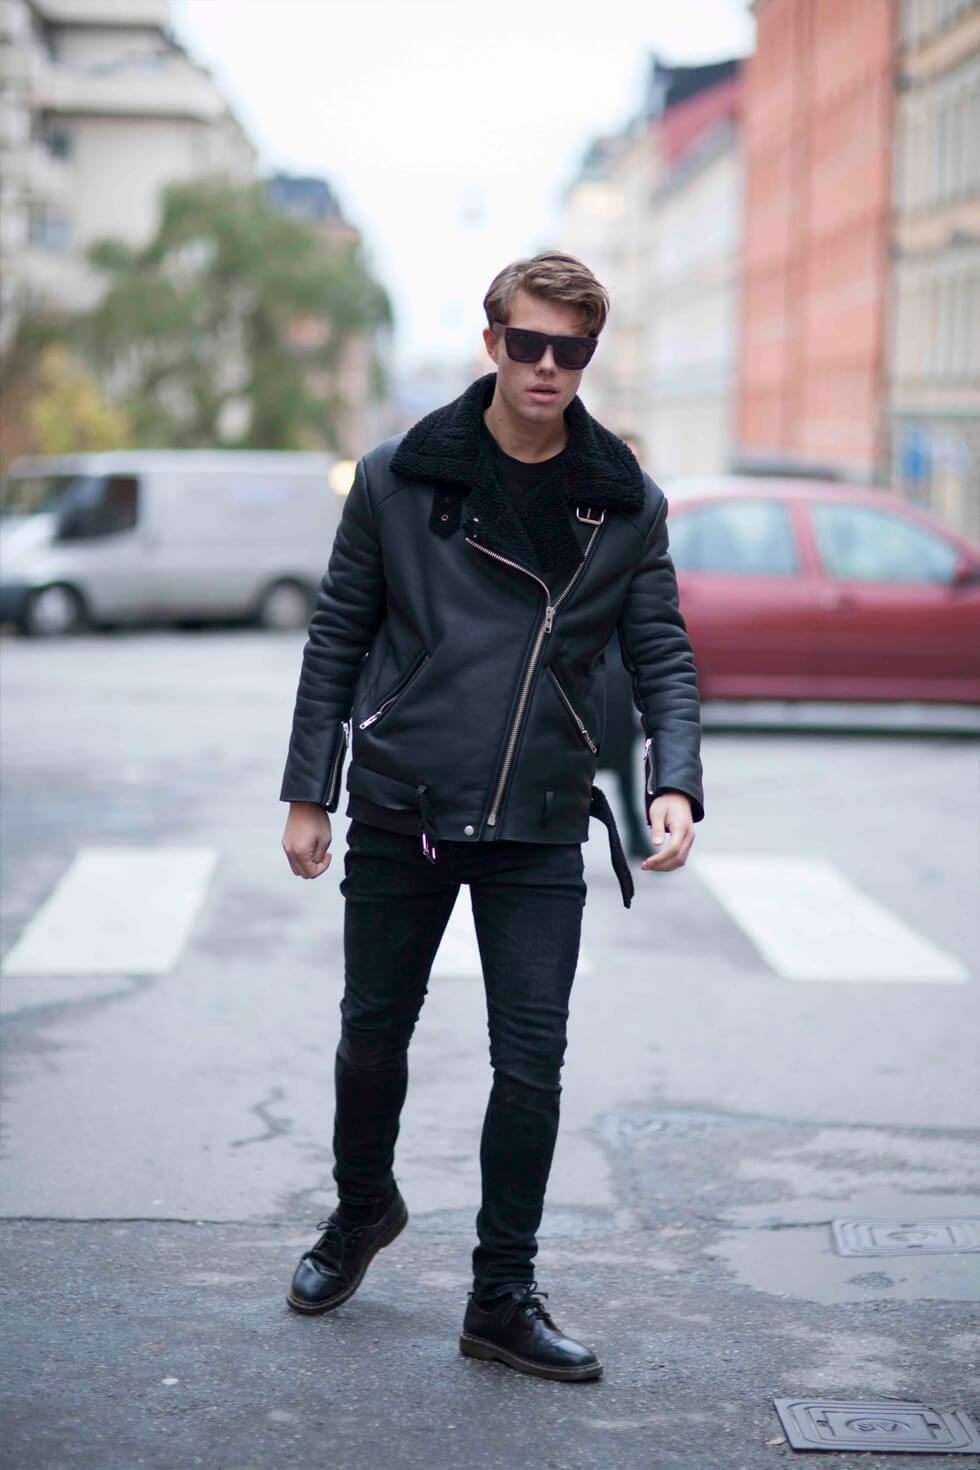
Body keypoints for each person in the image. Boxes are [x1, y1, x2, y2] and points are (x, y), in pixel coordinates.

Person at [279, 251, 703, 1383]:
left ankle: (500, 1296)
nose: (548, 367)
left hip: (540, 815)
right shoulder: (398, 476)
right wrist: (311, 789)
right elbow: (337, 633)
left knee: (532, 1062)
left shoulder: (622, 500)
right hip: (404, 803)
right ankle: (359, 1211)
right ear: (492, 344)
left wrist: (671, 777)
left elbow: (660, 649)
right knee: (374, 1033)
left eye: (571, 350)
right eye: (528, 343)